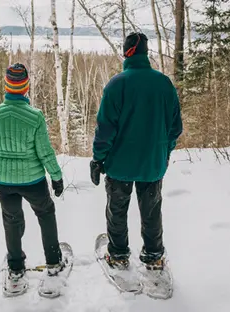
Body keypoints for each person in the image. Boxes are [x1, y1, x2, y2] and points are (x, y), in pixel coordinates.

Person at [90, 32, 183, 271]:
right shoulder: (163, 83)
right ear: (146, 53)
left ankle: (119, 254)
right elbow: (175, 128)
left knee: (117, 210)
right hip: (153, 164)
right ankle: (154, 254)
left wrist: (98, 159)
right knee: (151, 211)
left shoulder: (117, 84)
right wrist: (164, 151)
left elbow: (105, 129)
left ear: (126, 52)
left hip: (119, 164)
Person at [0, 63, 65, 295]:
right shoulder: (35, 117)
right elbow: (45, 152)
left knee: (11, 220)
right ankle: (53, 262)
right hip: (33, 181)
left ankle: (16, 270)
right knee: (46, 214)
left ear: (7, 86)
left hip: (3, 181)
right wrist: (56, 177)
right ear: (26, 87)